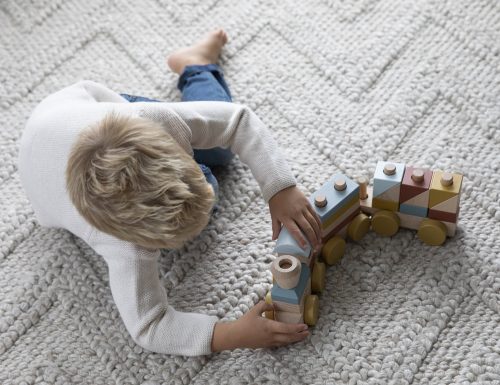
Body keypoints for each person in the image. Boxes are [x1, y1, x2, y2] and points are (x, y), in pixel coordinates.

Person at [18, 29, 322, 356]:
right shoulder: (122, 246)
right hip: (46, 165)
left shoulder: (154, 120)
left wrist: (280, 188)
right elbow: (148, 326)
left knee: (219, 154)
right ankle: (197, 69)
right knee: (213, 180)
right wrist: (232, 333)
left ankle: (195, 67)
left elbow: (238, 121)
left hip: (86, 109)